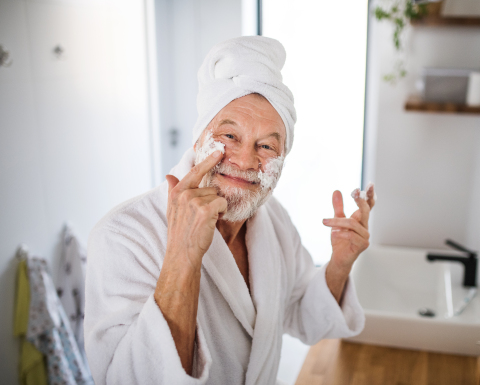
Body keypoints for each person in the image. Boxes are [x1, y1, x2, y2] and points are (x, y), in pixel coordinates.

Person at [84, 36, 375, 385]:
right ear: (198, 141)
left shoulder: (274, 220)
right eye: (230, 136)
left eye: (266, 145)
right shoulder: (123, 236)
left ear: (282, 159)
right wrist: (182, 255)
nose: (246, 160)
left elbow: (302, 315)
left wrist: (340, 264)